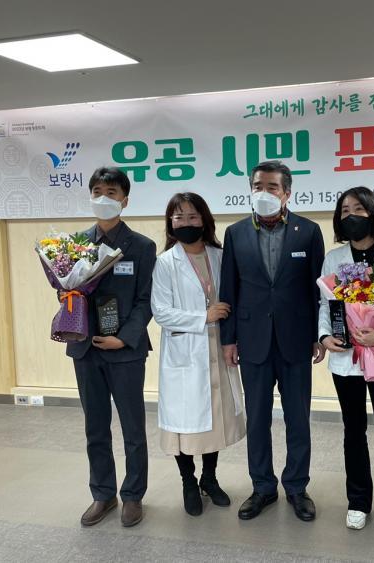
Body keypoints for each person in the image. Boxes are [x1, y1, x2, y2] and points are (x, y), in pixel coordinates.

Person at [219, 160, 325, 522]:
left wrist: (319, 335)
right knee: (258, 419)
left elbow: (318, 290)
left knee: (298, 419)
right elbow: (229, 288)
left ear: (287, 193)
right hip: (252, 341)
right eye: (257, 186)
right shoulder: (235, 233)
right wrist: (229, 339)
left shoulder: (308, 231)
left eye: (272, 187)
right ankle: (262, 486)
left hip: (296, 340)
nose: (263, 193)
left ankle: (296, 486)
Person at [67, 167, 156, 528]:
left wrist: (125, 337)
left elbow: (146, 300)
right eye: (97, 192)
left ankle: (133, 495)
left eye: (111, 193)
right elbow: (69, 289)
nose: (103, 199)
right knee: (95, 427)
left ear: (125, 200)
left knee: (133, 428)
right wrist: (66, 296)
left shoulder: (142, 246)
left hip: (126, 351)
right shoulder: (75, 244)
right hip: (86, 348)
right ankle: (103, 494)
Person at [318, 187, 374, 535]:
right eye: (344, 211)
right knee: (353, 430)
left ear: (373, 212)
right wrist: (325, 336)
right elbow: (327, 304)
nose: (351, 216)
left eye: (358, 208)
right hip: (347, 358)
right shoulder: (334, 257)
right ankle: (357, 501)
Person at [151, 192, 246, 516]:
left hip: (218, 348)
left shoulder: (220, 256)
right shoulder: (165, 263)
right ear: (170, 223)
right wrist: (202, 317)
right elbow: (161, 312)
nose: (186, 223)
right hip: (186, 351)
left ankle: (209, 478)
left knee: (214, 418)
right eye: (179, 218)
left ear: (204, 220)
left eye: (193, 217)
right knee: (185, 421)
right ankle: (188, 481)